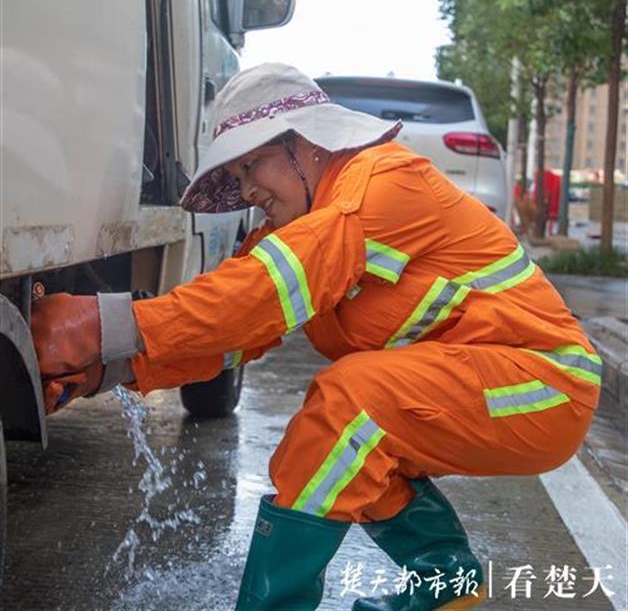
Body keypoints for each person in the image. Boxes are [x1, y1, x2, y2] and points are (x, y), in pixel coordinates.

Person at [32, 63, 601, 611]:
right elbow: (234, 330)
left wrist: (96, 324)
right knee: (339, 433)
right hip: (486, 383)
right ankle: (444, 576)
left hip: (548, 385)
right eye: (235, 178)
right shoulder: (303, 225)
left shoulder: (375, 186)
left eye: (252, 165)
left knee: (348, 405)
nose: (248, 190)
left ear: (307, 143)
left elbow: (256, 295)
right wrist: (110, 369)